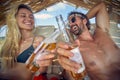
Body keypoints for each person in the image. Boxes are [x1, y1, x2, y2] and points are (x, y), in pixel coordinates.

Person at [57, 1, 120, 80]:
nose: (71, 24)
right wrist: (68, 70)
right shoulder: (76, 47)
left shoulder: (102, 31)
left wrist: (84, 17)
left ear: (84, 21)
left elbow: (101, 5)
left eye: (73, 20)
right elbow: (70, 75)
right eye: (69, 24)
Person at [0, 4, 55, 80]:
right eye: (23, 16)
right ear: (14, 19)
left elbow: (42, 70)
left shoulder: (38, 40)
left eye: (31, 16)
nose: (29, 19)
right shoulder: (8, 45)